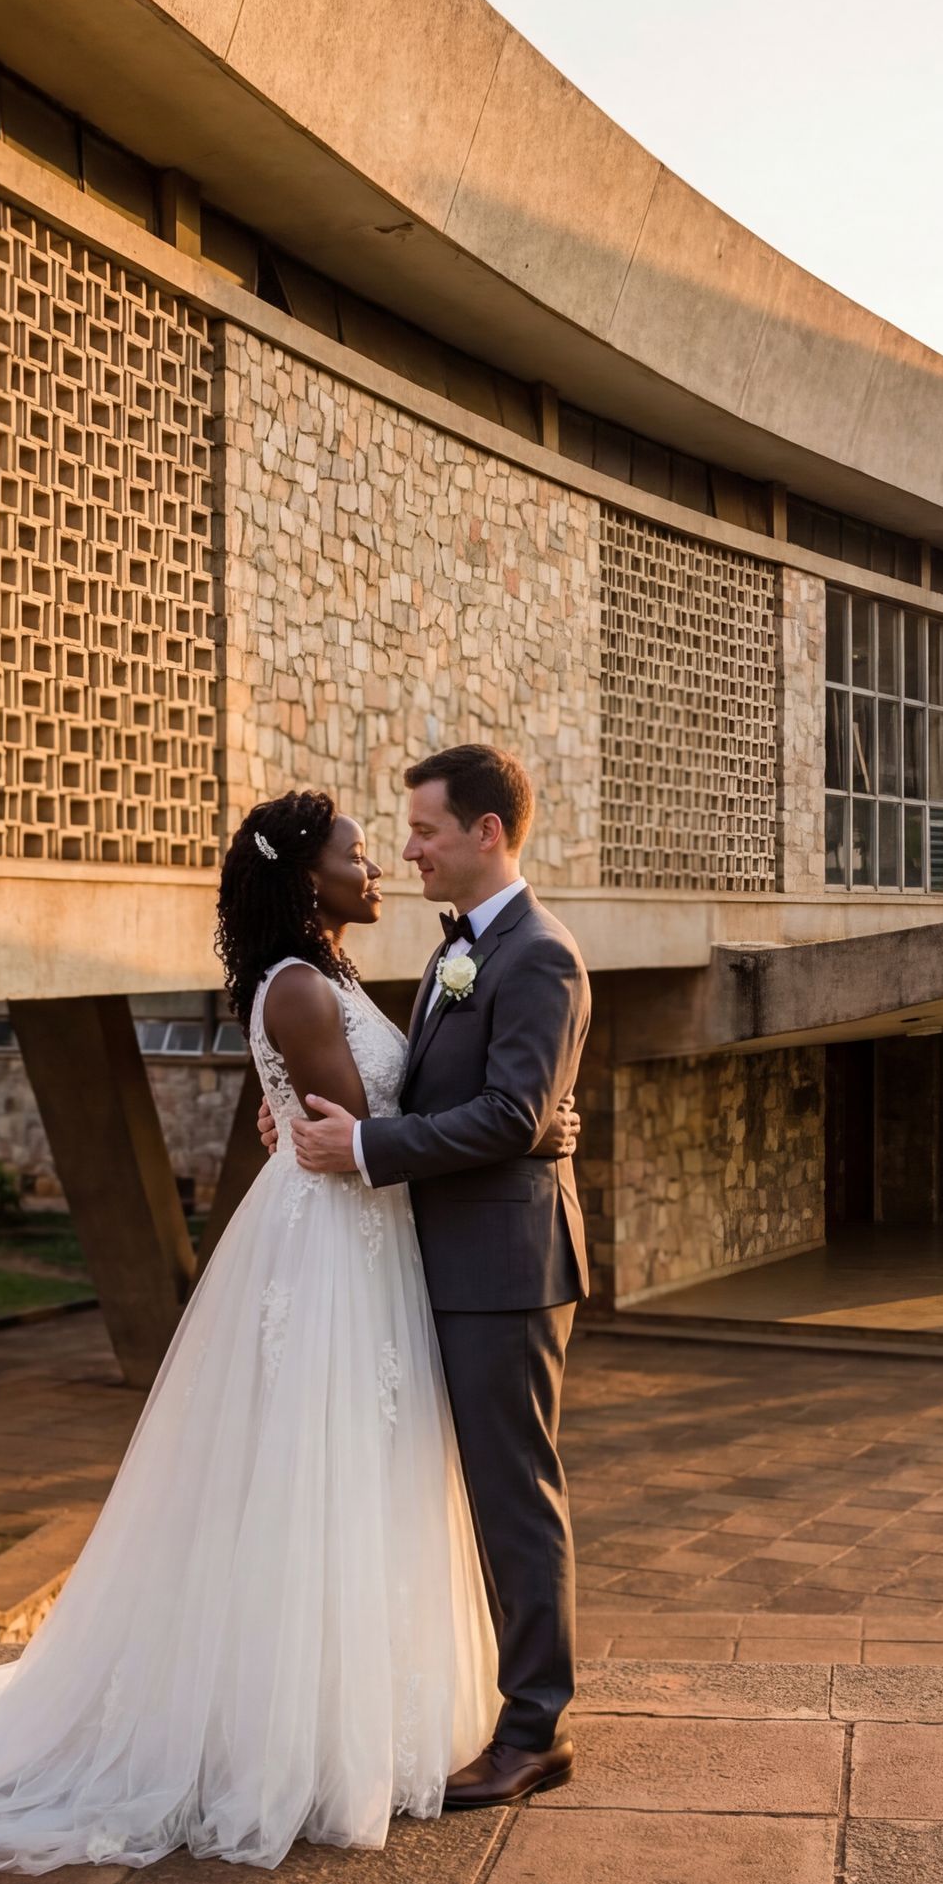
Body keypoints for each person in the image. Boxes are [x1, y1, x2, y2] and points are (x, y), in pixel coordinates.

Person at [0, 781, 560, 1869]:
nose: (379, 866)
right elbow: (366, 1140)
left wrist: (508, 1127)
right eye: (361, 852)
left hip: (359, 1246)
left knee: (353, 1482)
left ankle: (357, 1716)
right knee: (319, 1484)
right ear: (305, 876)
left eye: (398, 843)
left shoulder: (331, 975)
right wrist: (527, 1132)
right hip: (338, 1253)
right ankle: (303, 1733)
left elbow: (382, 1118)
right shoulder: (306, 993)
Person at [274, 741, 592, 1808]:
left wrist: (368, 1152)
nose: (407, 850)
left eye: (423, 831)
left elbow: (512, 1112)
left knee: (514, 1497)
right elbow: (493, 1106)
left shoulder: (538, 955)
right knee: (457, 1493)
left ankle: (535, 1728)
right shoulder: (468, 952)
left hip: (503, 1270)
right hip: (449, 1257)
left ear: (485, 833)